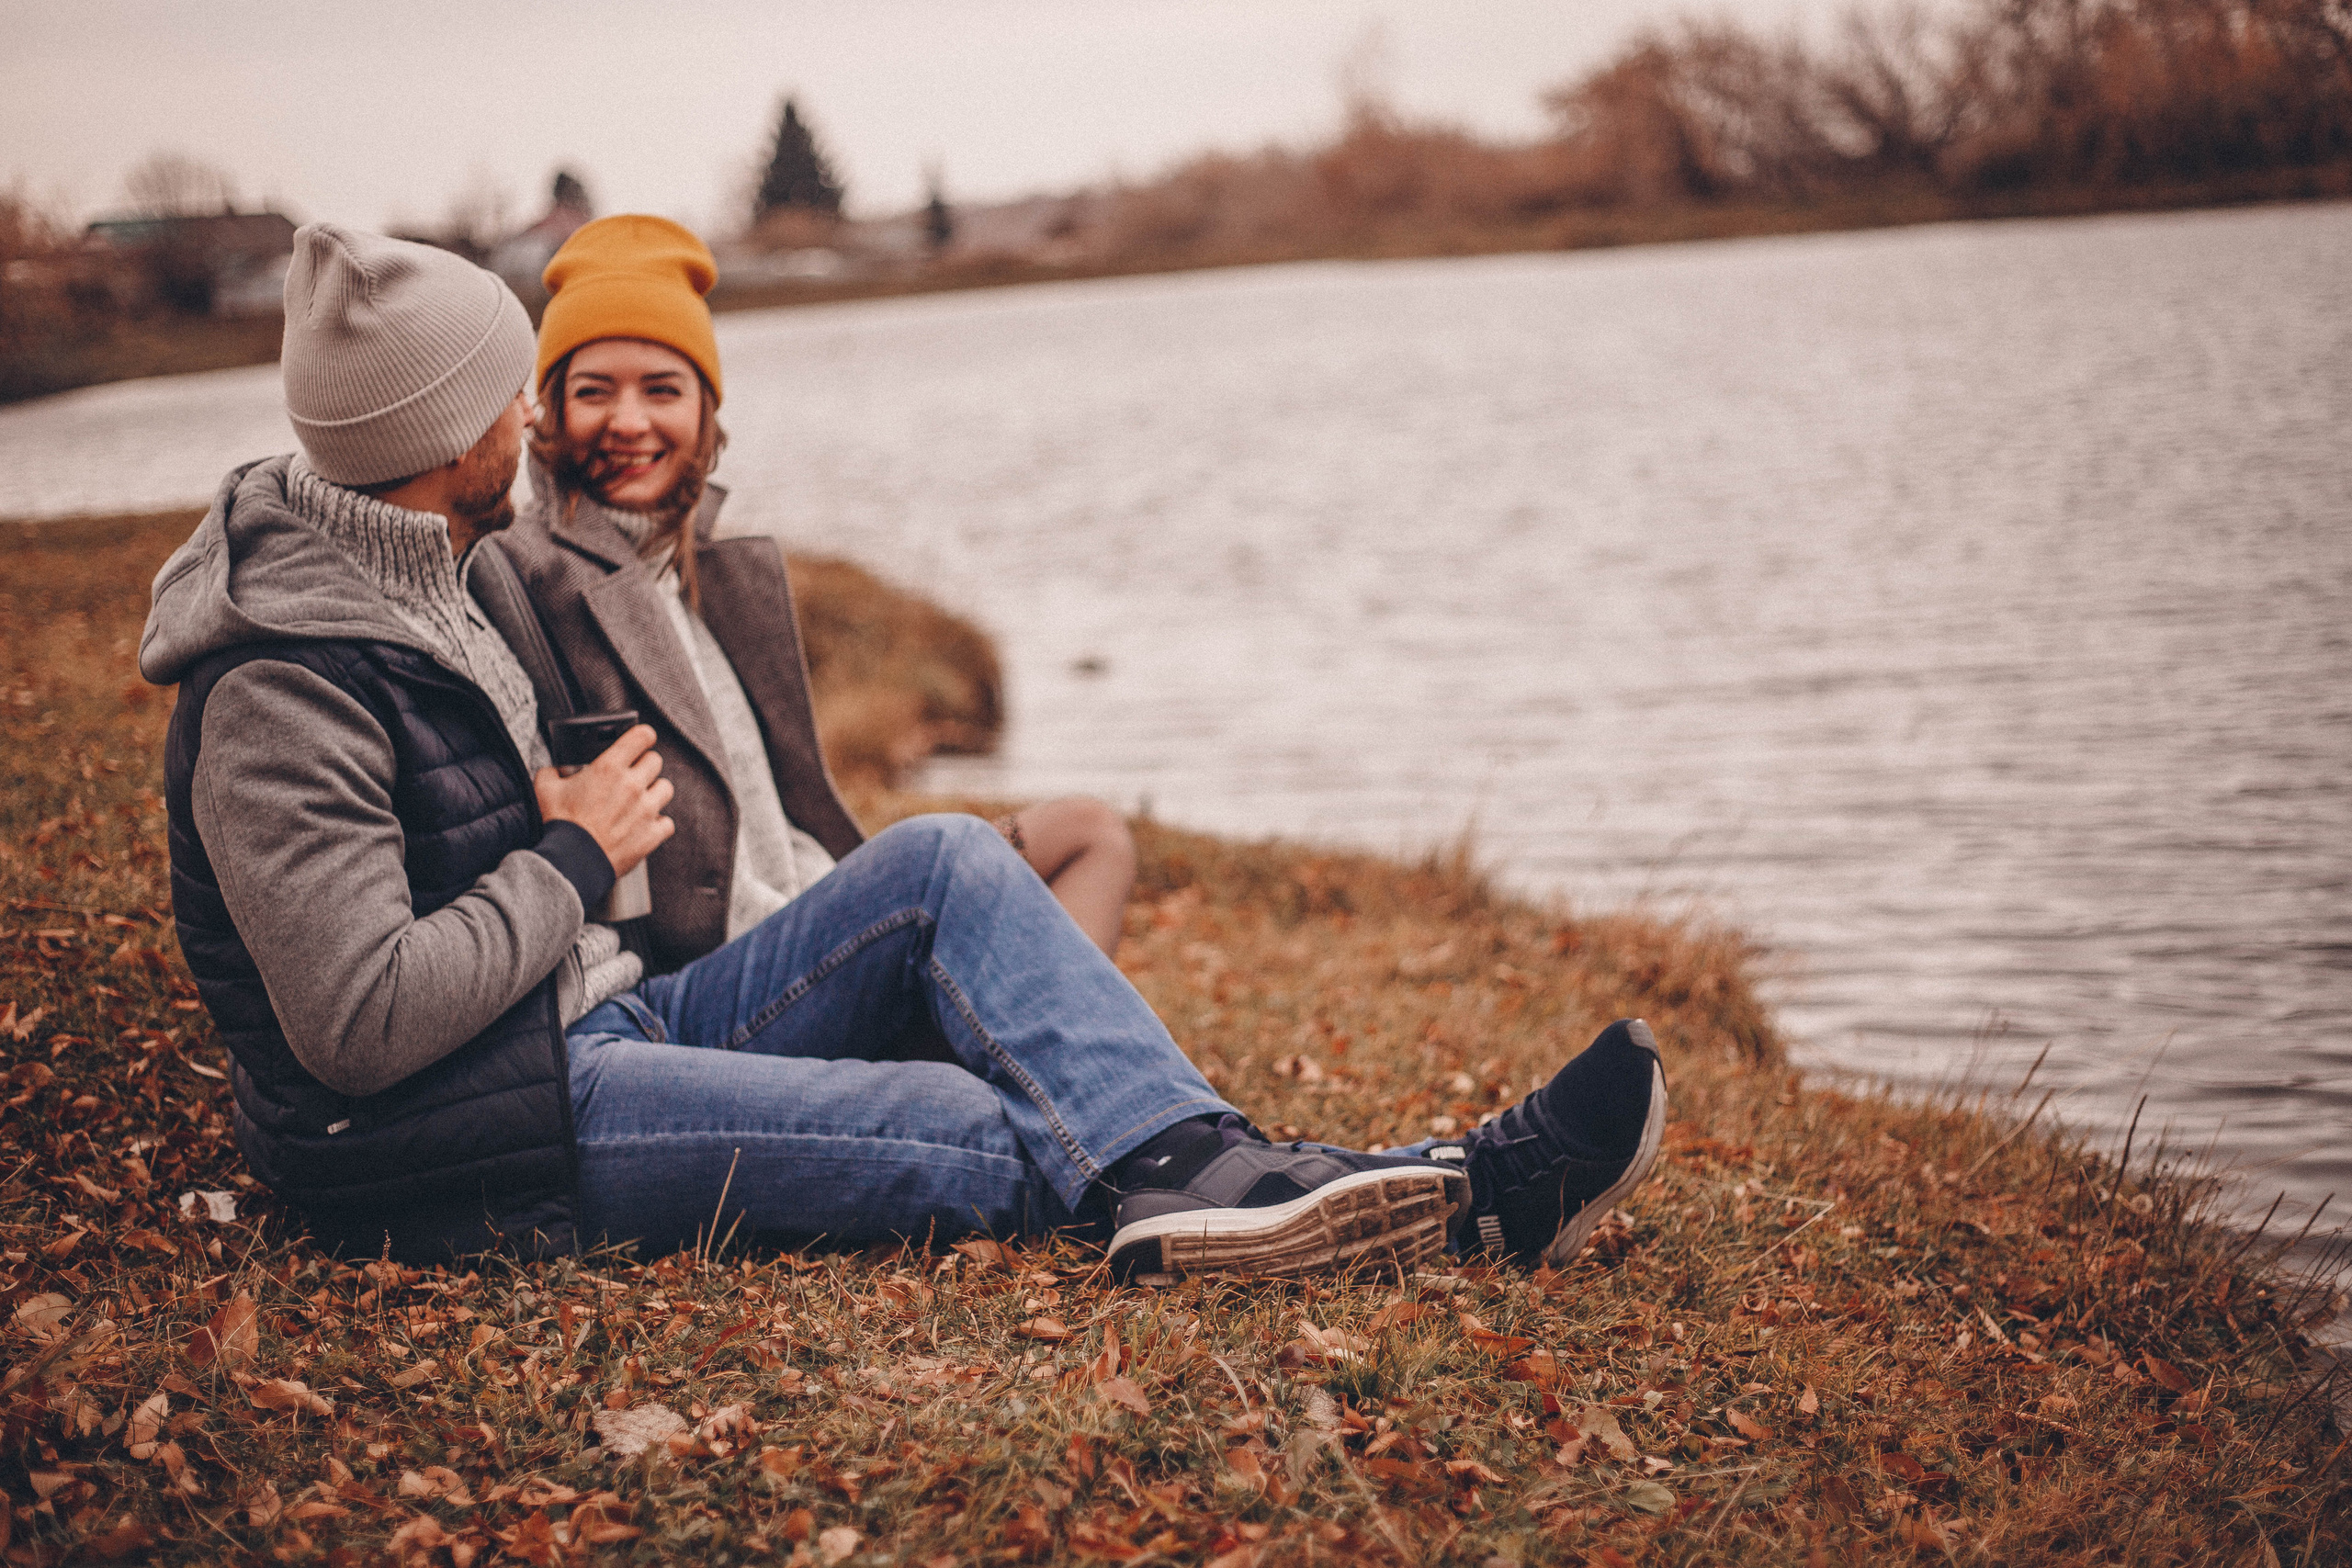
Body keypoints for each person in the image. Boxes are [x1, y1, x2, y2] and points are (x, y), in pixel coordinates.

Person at [141, 223, 1667, 1280]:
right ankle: (1435, 1193)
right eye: (509, 386)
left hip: (603, 1024)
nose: (528, 414)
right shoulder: (281, 688)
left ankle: (1255, 1178)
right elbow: (351, 1021)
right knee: (985, 1132)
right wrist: (565, 851)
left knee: (943, 854)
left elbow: (445, 850)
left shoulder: (427, 578)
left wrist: (535, 835)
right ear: (445, 427)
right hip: (487, 1129)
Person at [489, 214, 1133, 973]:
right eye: (595, 392)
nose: (629, 421)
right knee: (960, 871)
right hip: (747, 978)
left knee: (1093, 835)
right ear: (550, 412)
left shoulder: (710, 575)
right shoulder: (530, 578)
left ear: (704, 411)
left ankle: (1027, 1069)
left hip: (826, 914)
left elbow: (792, 822)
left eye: (661, 389)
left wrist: (848, 897)